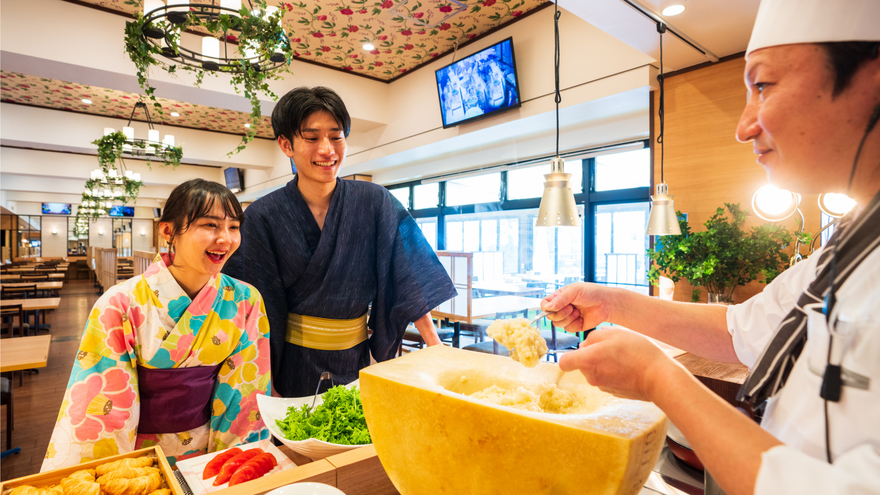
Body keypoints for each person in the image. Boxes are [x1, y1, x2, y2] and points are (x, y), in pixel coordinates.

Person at [541, 1, 880, 494]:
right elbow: (741, 330)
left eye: (763, 86)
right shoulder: (848, 248)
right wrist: (611, 302)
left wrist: (658, 379)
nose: (744, 126)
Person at [223, 86, 457, 398]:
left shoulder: (375, 202)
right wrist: (263, 382)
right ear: (286, 144)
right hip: (291, 365)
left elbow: (406, 274)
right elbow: (251, 302)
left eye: (336, 136)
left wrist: (434, 343)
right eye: (312, 137)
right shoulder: (265, 215)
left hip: (359, 361)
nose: (327, 149)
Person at [42, 179, 271, 470]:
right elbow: (103, 409)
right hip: (139, 459)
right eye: (210, 225)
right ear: (168, 231)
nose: (225, 238)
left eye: (234, 227)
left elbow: (245, 392)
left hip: (210, 455)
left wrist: (232, 466)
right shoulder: (121, 303)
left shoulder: (245, 299)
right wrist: (117, 473)